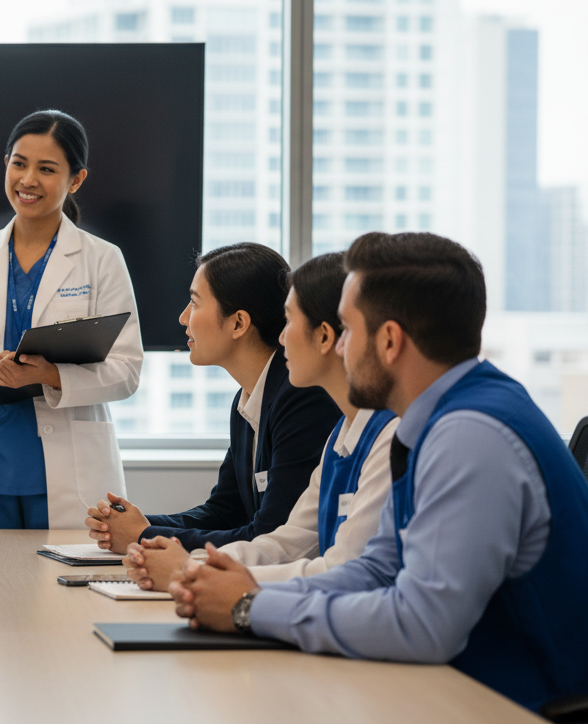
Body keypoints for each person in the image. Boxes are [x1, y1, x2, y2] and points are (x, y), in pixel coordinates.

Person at [169, 232, 588, 712]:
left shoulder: (468, 434)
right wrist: (245, 591)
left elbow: (423, 625)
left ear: (389, 340)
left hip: (518, 705)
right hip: (461, 691)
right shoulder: (429, 422)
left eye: (346, 329)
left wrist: (249, 607)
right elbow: (374, 570)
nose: (339, 347)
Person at [0, 110, 144, 529]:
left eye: (46, 169)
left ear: (75, 180)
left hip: (70, 472)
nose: (28, 180)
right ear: (5, 164)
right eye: (19, 163)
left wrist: (51, 375)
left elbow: (126, 370)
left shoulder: (102, 260)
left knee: (67, 592)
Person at [123, 252, 396, 592]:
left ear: (327, 337)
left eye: (290, 322)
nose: (281, 338)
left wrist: (186, 567)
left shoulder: (377, 430)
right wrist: (188, 564)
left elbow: (341, 570)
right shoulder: (339, 433)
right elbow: (286, 542)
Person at [85, 243, 340, 551]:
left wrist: (143, 535)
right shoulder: (247, 399)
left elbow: (267, 535)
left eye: (194, 303)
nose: (183, 318)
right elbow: (224, 512)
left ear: (238, 323)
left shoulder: (301, 398)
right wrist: (137, 525)